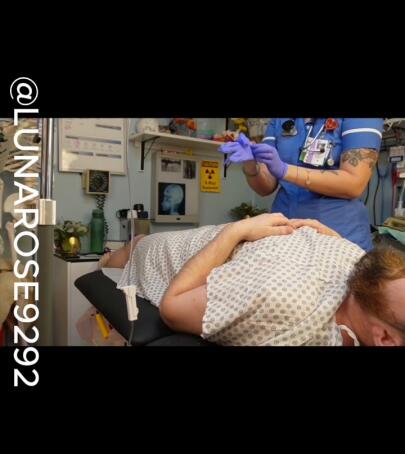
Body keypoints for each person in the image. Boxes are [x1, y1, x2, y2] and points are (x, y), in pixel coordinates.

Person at [101, 213, 405, 347]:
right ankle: (115, 254)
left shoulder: (290, 307)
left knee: (141, 244)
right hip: (184, 248)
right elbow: (172, 308)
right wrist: (235, 231)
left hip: (236, 244)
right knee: (137, 248)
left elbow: (173, 307)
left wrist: (237, 230)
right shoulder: (352, 257)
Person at [220, 118, 384, 251]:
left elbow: (353, 184)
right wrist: (251, 165)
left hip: (337, 235)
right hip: (285, 233)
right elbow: (265, 187)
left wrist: (285, 170)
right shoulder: (280, 121)